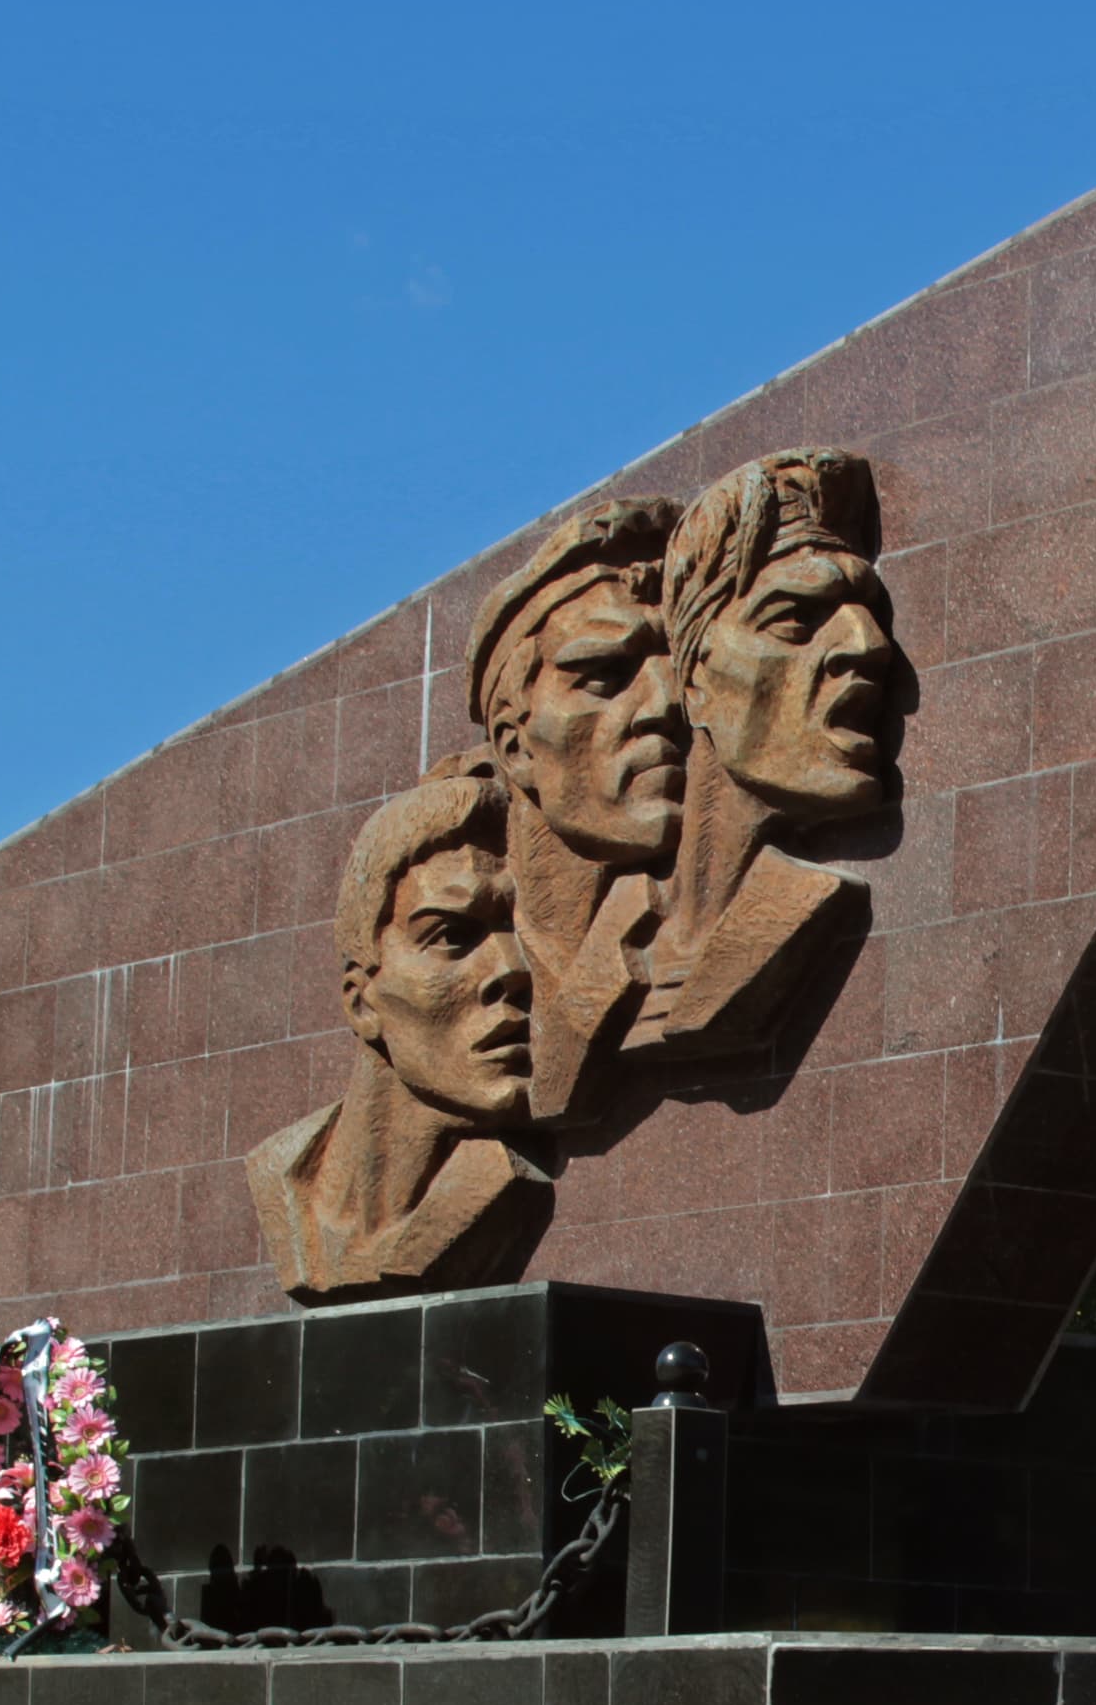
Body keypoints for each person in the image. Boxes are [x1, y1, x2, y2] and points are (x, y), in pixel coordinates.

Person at [627, 448, 911, 1058]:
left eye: (868, 614)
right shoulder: (613, 943)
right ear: (695, 678)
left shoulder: (810, 906)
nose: (867, 645)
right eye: (797, 618)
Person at [244, 765, 550, 1300]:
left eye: (521, 935)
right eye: (452, 936)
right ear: (362, 1002)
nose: (513, 969)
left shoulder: (508, 1190)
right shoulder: (282, 1179)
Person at [463, 498, 686, 1120]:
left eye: (680, 671)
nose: (665, 704)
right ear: (515, 745)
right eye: (605, 676)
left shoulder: (696, 935)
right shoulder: (472, 962)